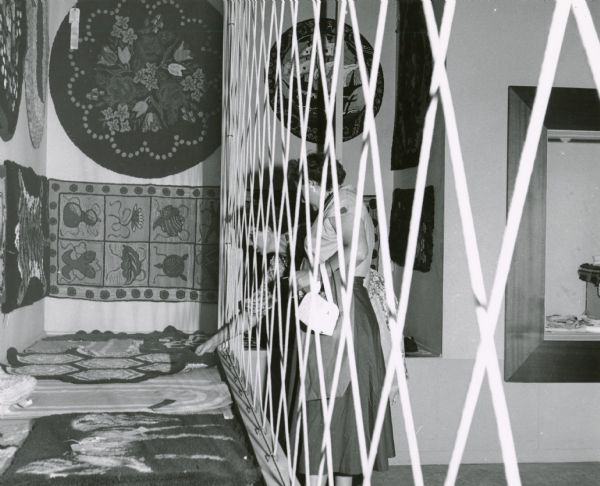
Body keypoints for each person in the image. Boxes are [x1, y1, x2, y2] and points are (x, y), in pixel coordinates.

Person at [292, 152, 395, 485]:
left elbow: (359, 250)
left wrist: (314, 277)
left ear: (310, 182)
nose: (302, 198)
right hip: (344, 309)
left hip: (342, 313)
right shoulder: (342, 202)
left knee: (328, 413)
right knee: (340, 428)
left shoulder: (343, 202)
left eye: (301, 190)